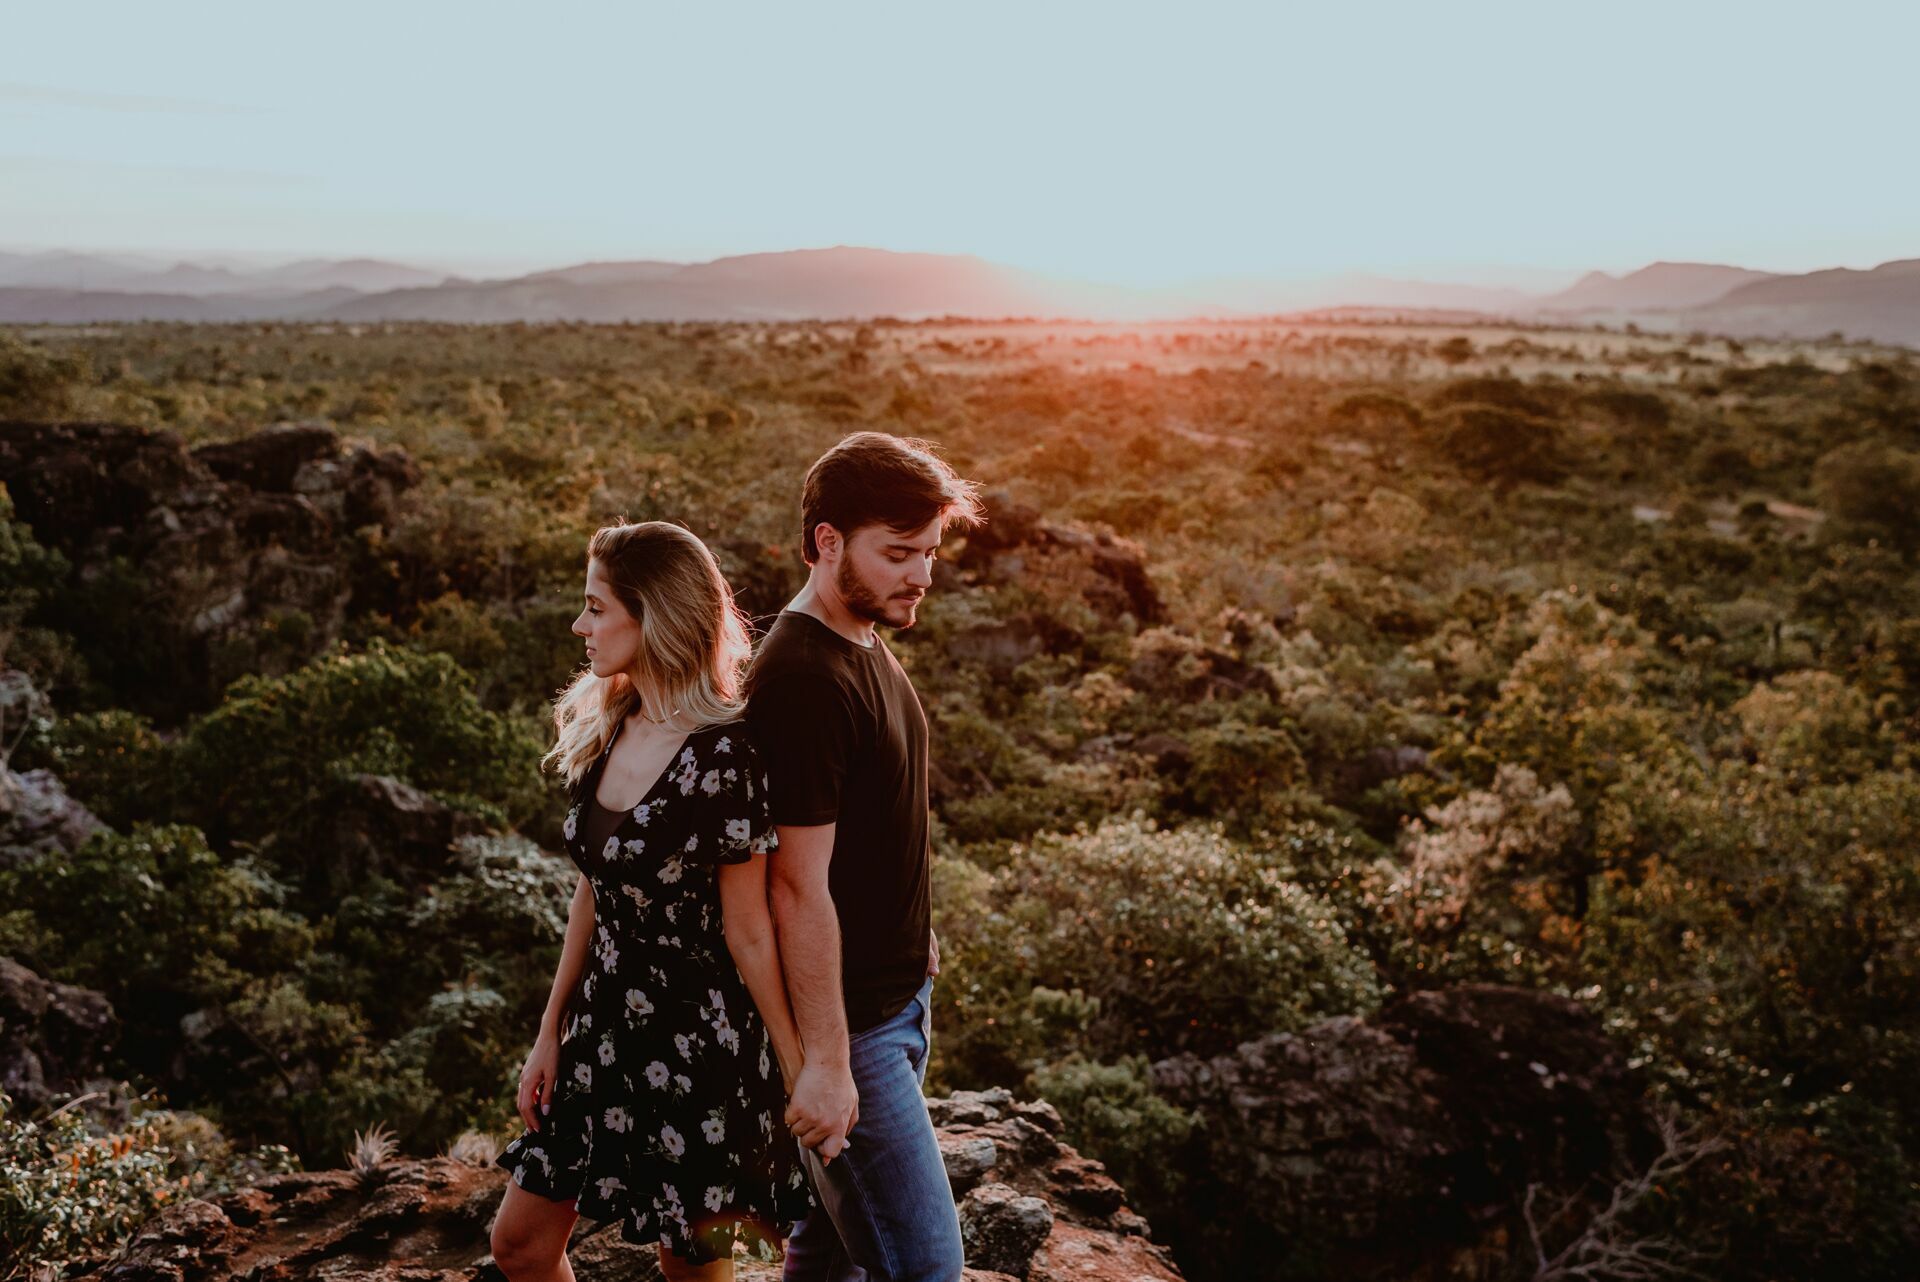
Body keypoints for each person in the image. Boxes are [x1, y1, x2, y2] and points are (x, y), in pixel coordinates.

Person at [491, 520, 815, 1282]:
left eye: (597, 607)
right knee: (521, 1246)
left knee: (691, 1272)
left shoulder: (725, 755)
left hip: (699, 1049)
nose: (580, 625)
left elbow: (750, 932)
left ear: (656, 616)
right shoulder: (613, 719)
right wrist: (550, 1032)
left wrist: (798, 1072)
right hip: (601, 1035)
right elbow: (593, 892)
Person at [745, 432, 984, 1282]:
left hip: (893, 1002)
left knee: (829, 1252)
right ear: (827, 542)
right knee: (927, 1270)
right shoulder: (806, 677)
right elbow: (794, 890)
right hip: (855, 1031)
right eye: (899, 554)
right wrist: (829, 1065)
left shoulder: (861, 633)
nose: (921, 575)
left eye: (928, 552)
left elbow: (877, 827)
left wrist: (913, 937)